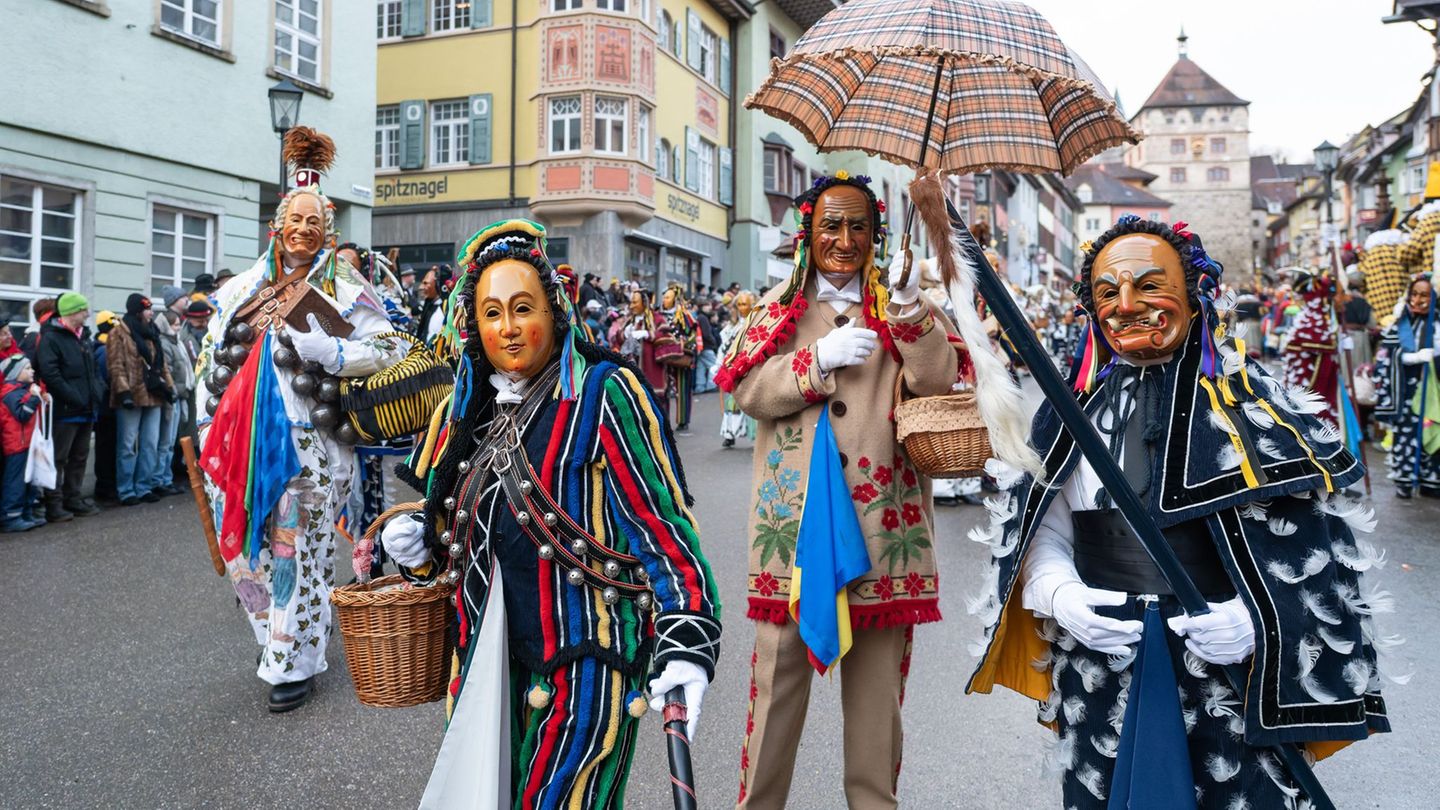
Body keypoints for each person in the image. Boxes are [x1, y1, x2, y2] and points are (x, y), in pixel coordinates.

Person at [965, 216, 1394, 809]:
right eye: (1108, 293)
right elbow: (1044, 527)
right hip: (1101, 657)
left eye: (1148, 285)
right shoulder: (1069, 411)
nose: (1126, 306)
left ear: (1195, 296)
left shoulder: (1256, 408)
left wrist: (1253, 621)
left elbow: (1313, 556)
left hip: (1221, 668)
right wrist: (1059, 592)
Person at [376, 219, 720, 808]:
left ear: (554, 311)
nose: (507, 329)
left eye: (521, 308)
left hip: (587, 660)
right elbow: (471, 543)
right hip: (487, 663)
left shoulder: (605, 392)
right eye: (490, 313)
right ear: (472, 324)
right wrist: (422, 550)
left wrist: (687, 633)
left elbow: (660, 527)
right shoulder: (472, 411)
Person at [715, 172, 962, 809]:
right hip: (792, 535)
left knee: (878, 715)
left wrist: (908, 313)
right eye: (831, 225)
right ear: (808, 233)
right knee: (775, 696)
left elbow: (939, 381)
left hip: (886, 534)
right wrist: (815, 360)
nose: (845, 240)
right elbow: (744, 388)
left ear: (877, 237)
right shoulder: (778, 309)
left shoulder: (903, 305)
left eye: (859, 227)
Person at [196, 127, 409, 712]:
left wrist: (336, 355)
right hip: (238, 443)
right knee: (246, 551)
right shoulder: (241, 289)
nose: (304, 231)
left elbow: (393, 347)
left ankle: (295, 659)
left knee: (297, 549)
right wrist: (207, 426)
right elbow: (210, 360)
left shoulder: (348, 288)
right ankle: (277, 638)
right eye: (296, 220)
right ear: (277, 224)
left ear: (329, 230)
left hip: (311, 442)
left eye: (315, 223)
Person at [33, 292, 103, 522]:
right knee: (59, 457)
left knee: (80, 456)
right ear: (73, 312)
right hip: (65, 409)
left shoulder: (82, 336)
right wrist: (73, 396)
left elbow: (91, 371)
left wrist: (97, 392)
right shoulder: (52, 338)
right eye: (84, 310)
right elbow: (50, 373)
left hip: (86, 407)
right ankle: (54, 503)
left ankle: (73, 498)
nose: (88, 313)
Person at [1372, 272, 1438, 499]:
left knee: (1433, 433)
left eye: (1425, 295)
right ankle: (1405, 480)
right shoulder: (1401, 323)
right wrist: (1411, 357)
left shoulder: (1437, 323)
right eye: (1415, 294)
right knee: (1406, 435)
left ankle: (1431, 480)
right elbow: (1386, 355)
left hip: (1433, 394)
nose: (1418, 300)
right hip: (1406, 393)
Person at [107, 293, 174, 506]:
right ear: (137, 311)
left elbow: (160, 364)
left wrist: (170, 387)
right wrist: (124, 393)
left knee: (150, 444)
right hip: (130, 396)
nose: (151, 312)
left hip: (153, 395)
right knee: (127, 446)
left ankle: (144, 487)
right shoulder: (118, 333)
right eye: (147, 309)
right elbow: (116, 366)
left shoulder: (152, 332)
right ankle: (126, 490)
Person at [1281, 270, 1341, 428]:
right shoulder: (1309, 314)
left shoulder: (1318, 315)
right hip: (1301, 378)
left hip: (1313, 379)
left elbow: (1319, 343)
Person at [0, 355, 44, 532]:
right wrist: (34, 398)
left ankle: (26, 512)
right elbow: (22, 414)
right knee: (15, 481)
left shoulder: (23, 390)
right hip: (16, 445)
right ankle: (11, 516)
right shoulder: (10, 394)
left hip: (27, 443)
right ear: (16, 373)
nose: (32, 371)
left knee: (29, 481)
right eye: (27, 368)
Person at [156, 306, 194, 494]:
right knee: (165, 441)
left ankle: (165, 478)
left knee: (170, 441)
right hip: (173, 395)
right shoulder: (166, 343)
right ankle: (160, 479)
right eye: (176, 324)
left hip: (180, 395)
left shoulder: (176, 342)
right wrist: (176, 389)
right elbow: (169, 370)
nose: (179, 328)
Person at [717, 290, 757, 448]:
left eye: (745, 304)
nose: (742, 307)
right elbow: (724, 346)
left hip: (751, 366)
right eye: (739, 304)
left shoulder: (757, 321)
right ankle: (729, 433)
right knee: (731, 402)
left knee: (752, 400)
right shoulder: (731, 326)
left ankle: (756, 435)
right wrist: (720, 363)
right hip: (732, 367)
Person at [92, 311, 119, 505]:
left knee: (109, 448)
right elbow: (106, 381)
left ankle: (107, 485)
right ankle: (104, 487)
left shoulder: (106, 347)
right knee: (105, 449)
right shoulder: (104, 350)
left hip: (108, 407)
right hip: (105, 409)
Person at [415, 264, 453, 344]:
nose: (421, 287)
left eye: (426, 283)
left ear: (437, 285)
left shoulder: (446, 308)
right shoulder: (429, 307)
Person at [694, 298, 721, 394]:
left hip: (700, 346)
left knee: (701, 367)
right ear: (703, 306)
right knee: (715, 366)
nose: (710, 307)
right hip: (707, 346)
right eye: (708, 305)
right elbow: (706, 333)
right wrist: (713, 342)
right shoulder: (703, 318)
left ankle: (699, 386)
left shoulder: (698, 316)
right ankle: (711, 385)